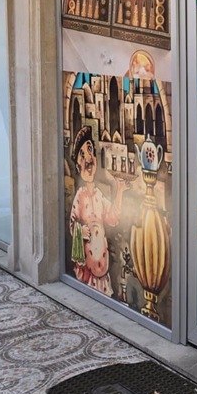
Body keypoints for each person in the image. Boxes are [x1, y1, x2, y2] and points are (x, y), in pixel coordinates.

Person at [68, 126, 125, 297]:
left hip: (103, 272)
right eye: (82, 155)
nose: (88, 158)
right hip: (87, 270)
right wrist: (81, 230)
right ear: (78, 165)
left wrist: (120, 191)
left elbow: (112, 218)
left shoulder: (99, 195)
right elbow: (72, 224)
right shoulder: (80, 196)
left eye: (90, 150)